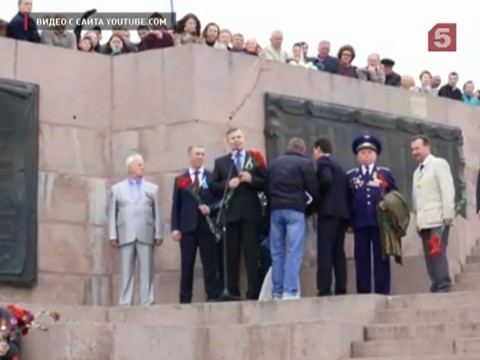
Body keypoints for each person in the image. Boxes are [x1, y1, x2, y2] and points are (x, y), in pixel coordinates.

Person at [210, 128, 265, 300]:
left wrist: (252, 180)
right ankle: (232, 292)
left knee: (251, 255)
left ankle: (253, 292)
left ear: (244, 139)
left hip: (250, 214)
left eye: (239, 137)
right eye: (233, 138)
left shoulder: (254, 160)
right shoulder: (221, 162)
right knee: (231, 256)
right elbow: (213, 186)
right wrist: (228, 183)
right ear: (228, 141)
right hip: (230, 215)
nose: (236, 140)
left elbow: (266, 182)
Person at [265, 138, 319, 299]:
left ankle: (277, 291)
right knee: (294, 251)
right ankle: (290, 291)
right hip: (295, 210)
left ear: (288, 147)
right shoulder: (305, 164)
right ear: (302, 149)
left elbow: (267, 188)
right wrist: (308, 210)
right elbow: (314, 190)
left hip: (276, 210)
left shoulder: (274, 164)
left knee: (277, 253)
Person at [108, 154, 163, 306]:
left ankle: (147, 300)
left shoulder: (152, 188)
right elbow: (112, 213)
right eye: (139, 165)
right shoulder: (117, 189)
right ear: (130, 167)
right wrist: (112, 235)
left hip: (146, 232)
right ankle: (125, 301)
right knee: (126, 271)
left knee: (147, 270)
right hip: (125, 233)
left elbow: (157, 212)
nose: (142, 167)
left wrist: (158, 233)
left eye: (143, 165)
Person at [347, 134, 397, 295]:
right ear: (357, 156)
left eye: (369, 152)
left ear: (375, 155)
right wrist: (349, 222)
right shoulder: (351, 175)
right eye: (362, 152)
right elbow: (347, 199)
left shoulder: (384, 173)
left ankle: (383, 290)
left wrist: (387, 204)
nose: (366, 155)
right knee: (361, 258)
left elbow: (394, 195)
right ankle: (363, 290)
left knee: (381, 258)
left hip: (380, 222)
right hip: (360, 222)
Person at [170, 145, 219, 303]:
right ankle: (185, 298)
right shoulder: (181, 179)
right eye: (197, 154)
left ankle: (212, 295)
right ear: (189, 156)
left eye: (203, 154)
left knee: (210, 264)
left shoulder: (212, 177)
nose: (200, 157)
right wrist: (175, 228)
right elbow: (176, 205)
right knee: (187, 265)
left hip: (206, 227)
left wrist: (210, 209)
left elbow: (219, 201)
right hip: (187, 229)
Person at [411, 135, 454, 292]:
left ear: (427, 146)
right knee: (429, 255)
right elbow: (417, 199)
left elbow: (447, 190)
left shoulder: (439, 164)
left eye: (417, 148)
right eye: (412, 149)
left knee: (437, 251)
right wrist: (417, 221)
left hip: (438, 219)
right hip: (424, 221)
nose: (414, 152)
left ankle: (443, 282)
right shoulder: (417, 172)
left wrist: (448, 214)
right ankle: (436, 283)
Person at [312, 137, 349, 296]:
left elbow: (326, 180)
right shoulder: (339, 167)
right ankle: (341, 287)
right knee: (338, 252)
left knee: (325, 251)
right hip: (341, 215)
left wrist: (318, 197)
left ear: (318, 149)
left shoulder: (323, 163)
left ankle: (324, 287)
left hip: (327, 213)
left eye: (314, 151)